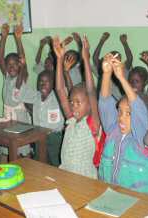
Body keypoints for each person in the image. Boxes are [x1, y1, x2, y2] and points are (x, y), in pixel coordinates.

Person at [98, 53, 148, 194]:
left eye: (128, 114)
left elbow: (138, 108)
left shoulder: (141, 138)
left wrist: (122, 78)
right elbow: (104, 102)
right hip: (110, 194)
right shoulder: (113, 131)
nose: (121, 118)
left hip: (139, 201)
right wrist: (107, 74)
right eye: (119, 112)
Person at [53, 35, 104, 178]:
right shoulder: (71, 120)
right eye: (71, 102)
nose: (73, 107)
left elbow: (91, 90)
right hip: (65, 173)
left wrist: (86, 60)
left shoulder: (93, 124)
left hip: (84, 178)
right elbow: (60, 90)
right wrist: (59, 59)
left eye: (78, 103)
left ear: (90, 104)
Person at [0, 23, 31, 157]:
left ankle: (29, 169)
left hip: (20, 116)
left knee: (23, 148)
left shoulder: (23, 76)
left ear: (20, 64)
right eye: (8, 64)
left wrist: (18, 39)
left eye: (15, 63)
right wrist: (4, 37)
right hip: (7, 116)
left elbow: (22, 58)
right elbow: (0, 58)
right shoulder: (6, 77)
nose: (11, 66)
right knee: (7, 150)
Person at [17, 69, 65, 166]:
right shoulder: (36, 96)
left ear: (54, 84)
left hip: (54, 137)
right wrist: (22, 69)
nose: (43, 84)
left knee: (56, 161)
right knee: (39, 160)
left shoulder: (57, 97)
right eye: (41, 81)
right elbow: (22, 94)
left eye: (47, 82)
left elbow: (63, 89)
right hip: (39, 135)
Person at [93, 32, 133, 101]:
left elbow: (130, 58)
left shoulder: (123, 69)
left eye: (117, 58)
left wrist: (125, 43)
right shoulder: (103, 70)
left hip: (122, 102)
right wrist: (102, 41)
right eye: (113, 57)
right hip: (106, 102)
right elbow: (95, 58)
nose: (114, 60)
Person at [128, 51, 148, 119]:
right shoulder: (126, 97)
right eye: (131, 81)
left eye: (137, 81)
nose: (133, 84)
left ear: (145, 83)